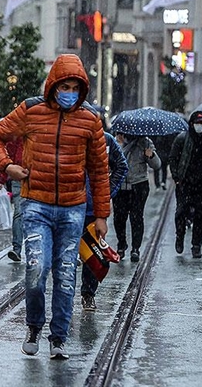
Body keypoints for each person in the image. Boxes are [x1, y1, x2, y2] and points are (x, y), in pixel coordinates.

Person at [0, 54, 110, 360]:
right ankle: (34, 325)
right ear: (53, 84)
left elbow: (99, 170)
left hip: (72, 209)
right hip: (36, 205)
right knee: (36, 269)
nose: (68, 91)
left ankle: (59, 337)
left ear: (82, 90)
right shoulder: (31, 110)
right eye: (64, 85)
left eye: (74, 87)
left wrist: (103, 215)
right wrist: (8, 166)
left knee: (66, 274)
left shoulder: (90, 121)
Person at [79, 106, 128, 311]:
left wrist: (107, 192)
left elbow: (121, 167)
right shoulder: (70, 137)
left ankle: (88, 294)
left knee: (92, 254)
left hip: (92, 209)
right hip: (68, 205)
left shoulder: (106, 140)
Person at [170, 111, 202, 258]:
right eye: (197, 123)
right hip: (185, 183)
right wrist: (176, 177)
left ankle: (196, 245)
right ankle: (180, 236)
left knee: (200, 215)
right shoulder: (182, 139)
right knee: (180, 213)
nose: (200, 126)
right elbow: (173, 159)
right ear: (191, 124)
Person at [113, 132, 161, 262]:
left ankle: (135, 248)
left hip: (139, 185)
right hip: (120, 185)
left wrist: (151, 155)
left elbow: (157, 165)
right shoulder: (116, 141)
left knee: (136, 217)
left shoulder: (145, 142)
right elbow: (109, 160)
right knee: (119, 217)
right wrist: (120, 145)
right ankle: (121, 244)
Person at [0, 137, 25, 262]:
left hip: (34, 177)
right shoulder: (18, 133)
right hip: (19, 177)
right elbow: (10, 158)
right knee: (19, 212)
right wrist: (2, 177)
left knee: (24, 214)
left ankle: (24, 249)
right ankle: (17, 248)